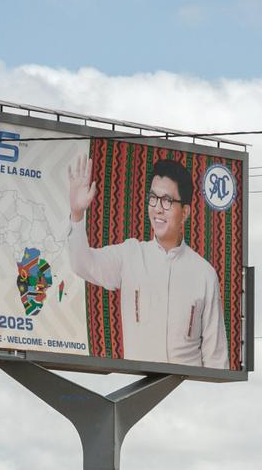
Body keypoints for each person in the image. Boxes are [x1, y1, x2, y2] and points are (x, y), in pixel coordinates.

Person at [66, 154, 228, 368]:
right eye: (153, 198)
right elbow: (81, 263)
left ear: (185, 212)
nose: (158, 208)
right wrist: (77, 214)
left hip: (188, 393)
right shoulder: (130, 254)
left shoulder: (204, 273)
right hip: (139, 394)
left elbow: (216, 357)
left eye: (167, 201)